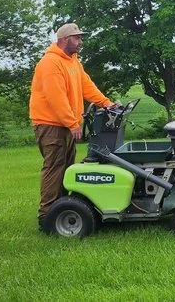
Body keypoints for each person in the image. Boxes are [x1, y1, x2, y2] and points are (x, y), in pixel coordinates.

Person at [29, 22, 117, 230]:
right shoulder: (50, 63)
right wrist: (71, 123)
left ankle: (61, 209)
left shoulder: (73, 62)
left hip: (64, 124)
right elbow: (55, 97)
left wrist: (106, 103)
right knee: (54, 169)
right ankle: (46, 217)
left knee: (67, 169)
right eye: (77, 38)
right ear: (64, 39)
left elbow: (86, 86)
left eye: (80, 37)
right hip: (51, 125)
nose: (81, 41)